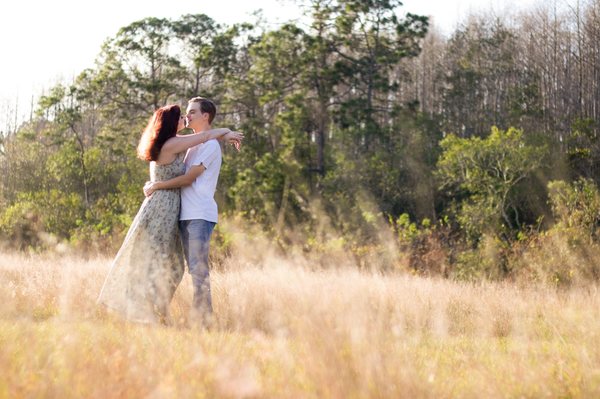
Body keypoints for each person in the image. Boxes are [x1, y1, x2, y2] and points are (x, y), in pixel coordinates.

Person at [97, 104, 242, 324]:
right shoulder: (174, 143)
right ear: (171, 123)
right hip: (163, 207)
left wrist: (225, 134)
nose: (186, 117)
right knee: (163, 262)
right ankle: (149, 313)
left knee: (171, 264)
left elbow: (207, 137)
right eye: (181, 116)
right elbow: (208, 135)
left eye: (190, 113)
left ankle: (159, 312)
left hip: (172, 207)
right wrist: (226, 132)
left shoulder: (177, 143)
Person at [143, 97, 232, 327]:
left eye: (193, 112)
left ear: (206, 116)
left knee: (198, 270)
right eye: (187, 112)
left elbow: (189, 178)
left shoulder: (210, 146)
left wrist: (157, 185)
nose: (188, 116)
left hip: (199, 215)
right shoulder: (191, 144)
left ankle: (204, 321)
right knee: (180, 267)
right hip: (184, 214)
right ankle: (160, 312)